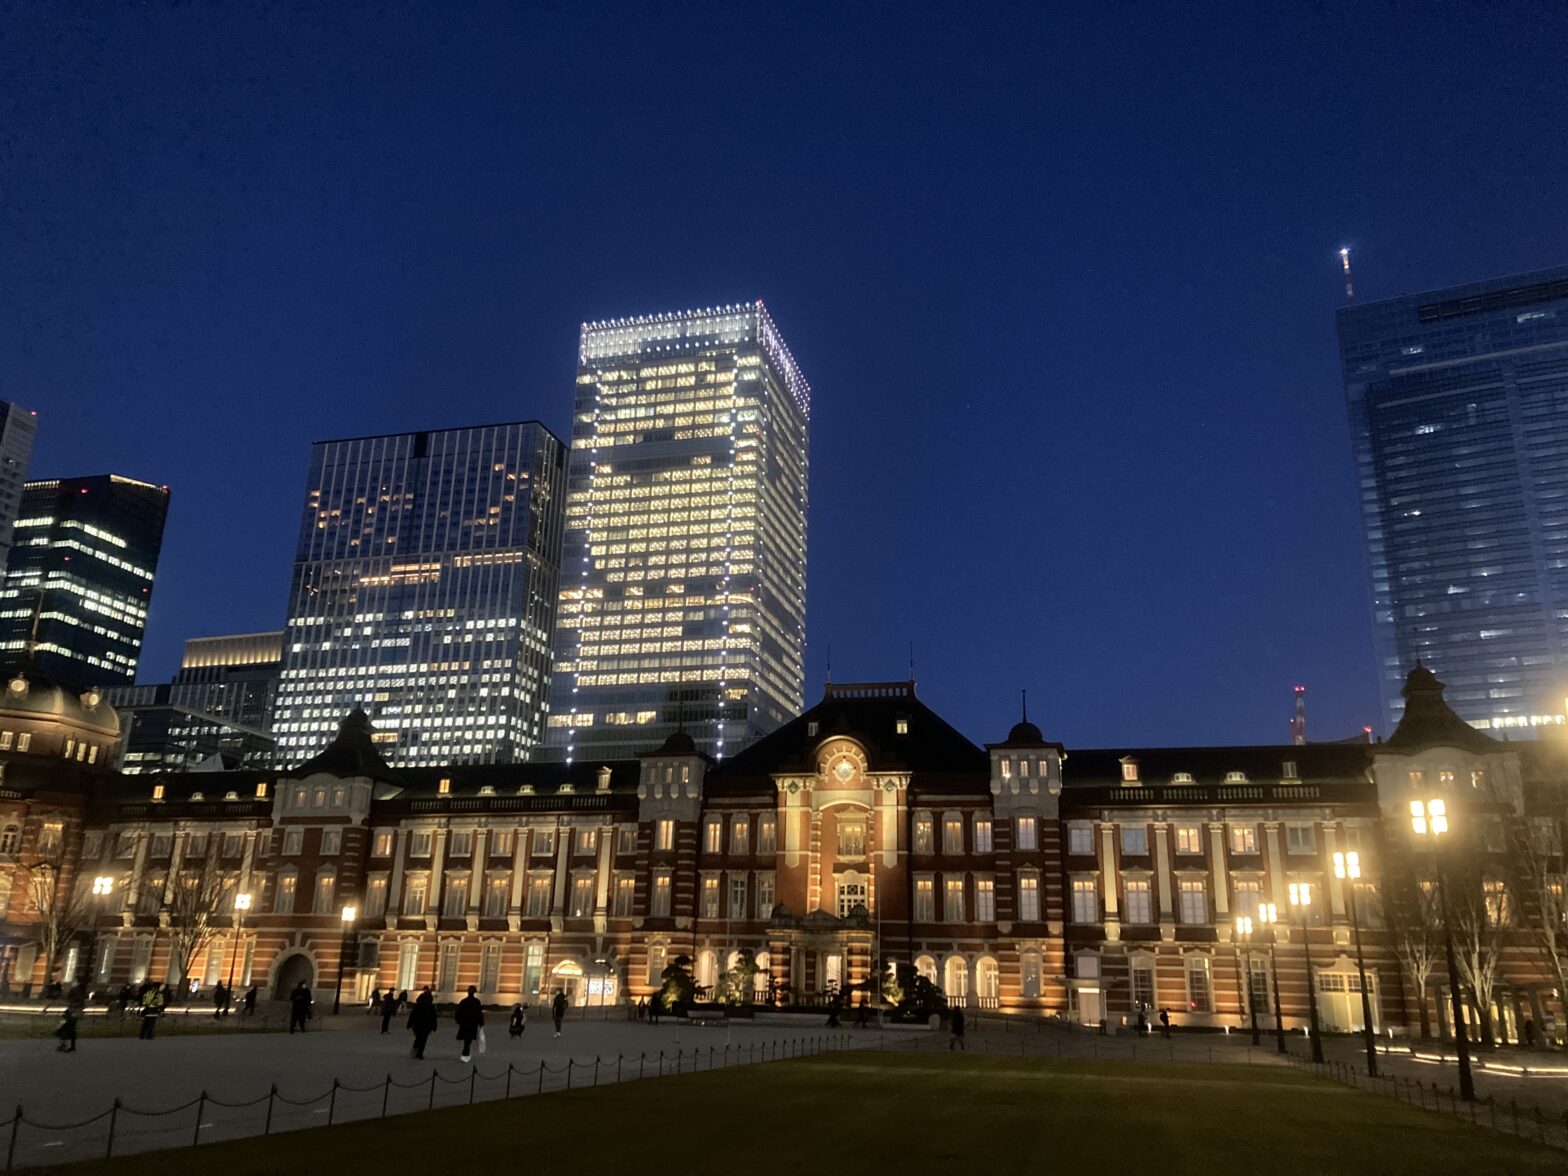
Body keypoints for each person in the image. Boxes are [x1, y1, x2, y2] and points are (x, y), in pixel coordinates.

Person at [455, 985, 485, 1062]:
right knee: (468, 1040)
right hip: (471, 1024)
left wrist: (459, 1021)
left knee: (467, 1040)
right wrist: (481, 1022)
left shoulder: (464, 1001)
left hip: (465, 1024)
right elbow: (479, 1014)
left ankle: (465, 1053)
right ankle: (465, 1054)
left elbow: (458, 1013)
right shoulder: (476, 1002)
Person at [408, 986, 437, 1060]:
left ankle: (415, 1050)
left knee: (418, 1038)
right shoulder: (430, 1007)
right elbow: (433, 1017)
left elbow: (413, 1015)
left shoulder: (418, 1006)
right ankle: (419, 1053)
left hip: (418, 1024)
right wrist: (434, 1026)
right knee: (423, 1039)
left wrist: (410, 1023)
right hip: (426, 1025)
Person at [56, 984, 85, 1053]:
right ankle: (68, 1045)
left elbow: (78, 1007)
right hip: (72, 1015)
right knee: (68, 1031)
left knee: (67, 1030)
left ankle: (66, 1045)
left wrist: (72, 1011)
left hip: (73, 1016)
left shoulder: (77, 999)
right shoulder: (74, 998)